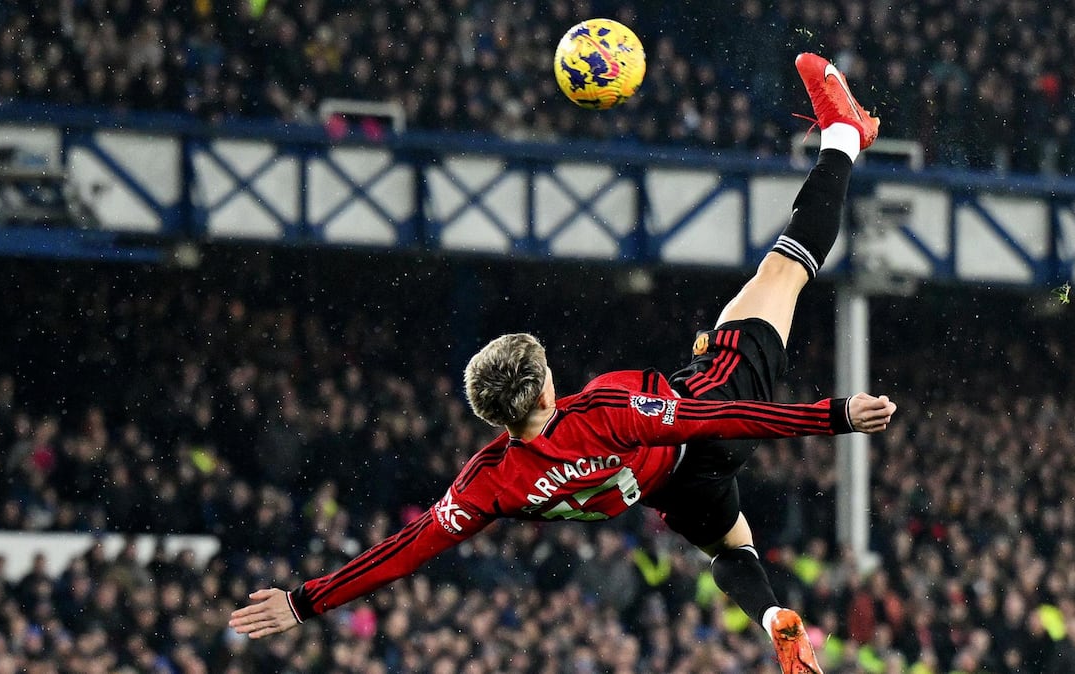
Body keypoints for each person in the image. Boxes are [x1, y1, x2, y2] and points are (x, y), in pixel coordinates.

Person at [230, 52, 886, 674]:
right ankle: (843, 138)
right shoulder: (602, 409)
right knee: (784, 270)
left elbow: (403, 551)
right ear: (545, 388)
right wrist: (837, 417)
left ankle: (772, 614)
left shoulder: (490, 482)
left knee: (730, 547)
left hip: (671, 491)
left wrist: (303, 601)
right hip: (704, 420)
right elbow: (717, 415)